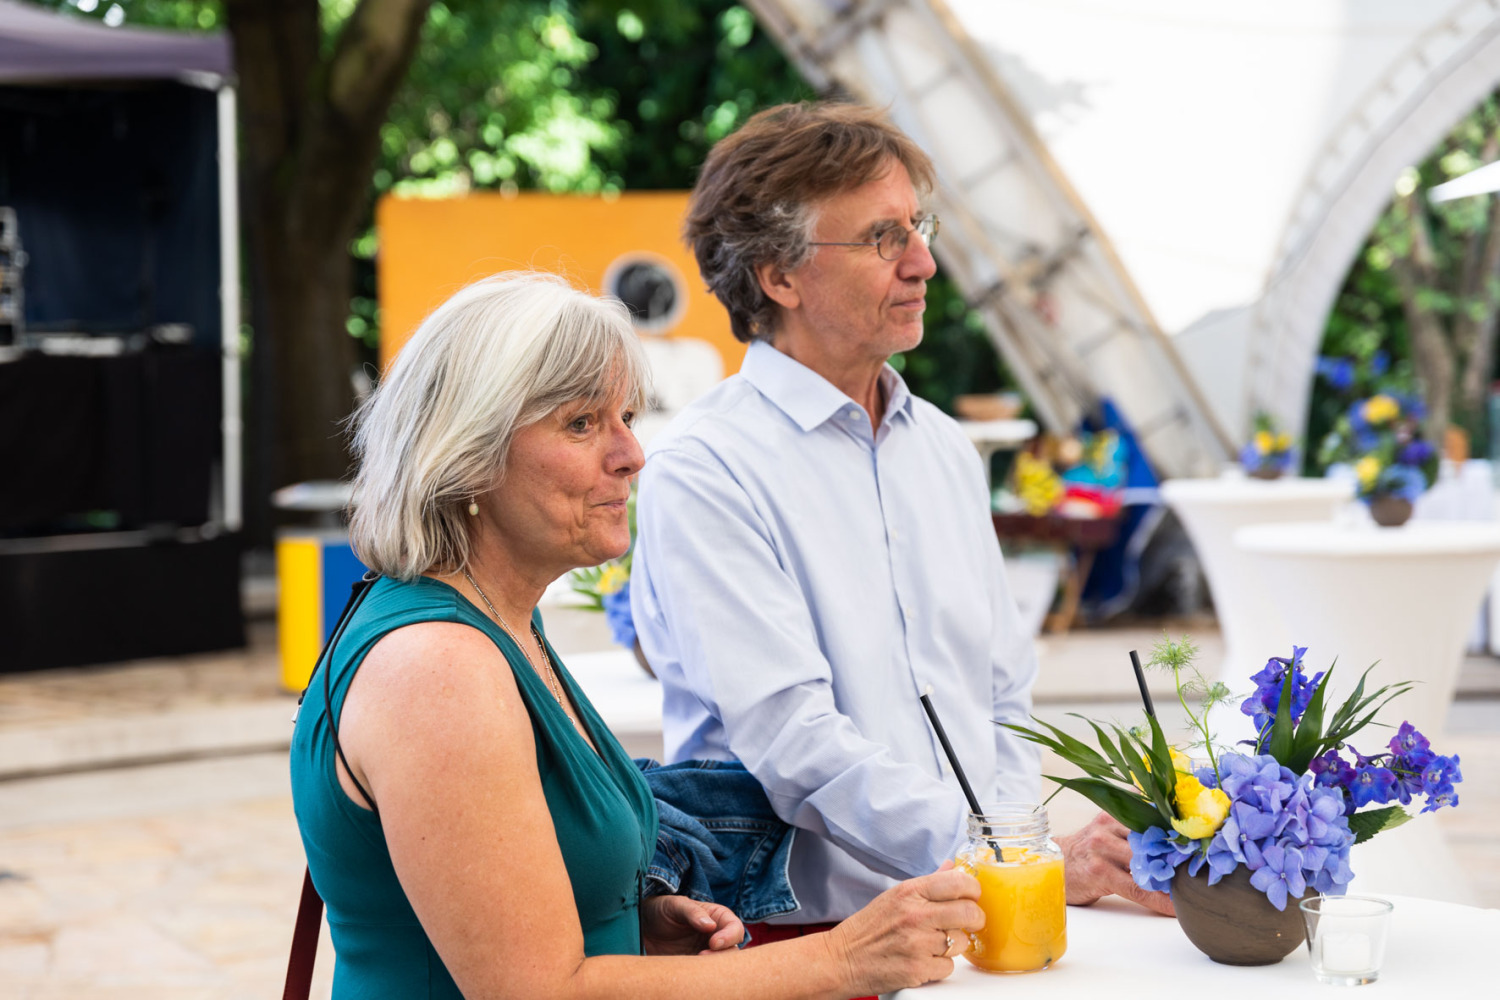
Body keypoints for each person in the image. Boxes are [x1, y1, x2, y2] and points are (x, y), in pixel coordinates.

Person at [288, 271, 984, 999]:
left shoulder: (492, 626)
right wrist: (842, 960)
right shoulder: (439, 666)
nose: (631, 454)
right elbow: (537, 992)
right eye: (583, 424)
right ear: (466, 455)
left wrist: (625, 925)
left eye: (625, 416)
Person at [629, 102, 1174, 943]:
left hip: (983, 910)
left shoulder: (946, 451)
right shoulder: (706, 469)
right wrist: (1001, 852)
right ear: (779, 274)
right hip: (805, 943)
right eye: (885, 238)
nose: (924, 261)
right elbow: (791, 742)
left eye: (920, 226)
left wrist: (1010, 861)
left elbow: (1000, 693)